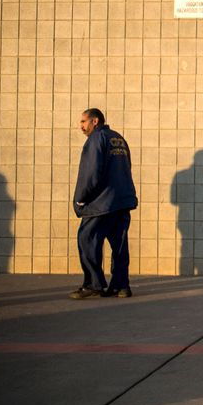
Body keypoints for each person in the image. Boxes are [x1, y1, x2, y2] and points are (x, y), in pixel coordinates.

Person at [70, 108, 138, 299]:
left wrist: (81, 198)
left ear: (95, 121)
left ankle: (93, 284)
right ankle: (121, 286)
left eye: (84, 122)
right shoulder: (118, 139)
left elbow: (90, 173)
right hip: (122, 200)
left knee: (87, 239)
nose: (81, 126)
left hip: (101, 203)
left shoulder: (96, 139)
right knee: (119, 245)